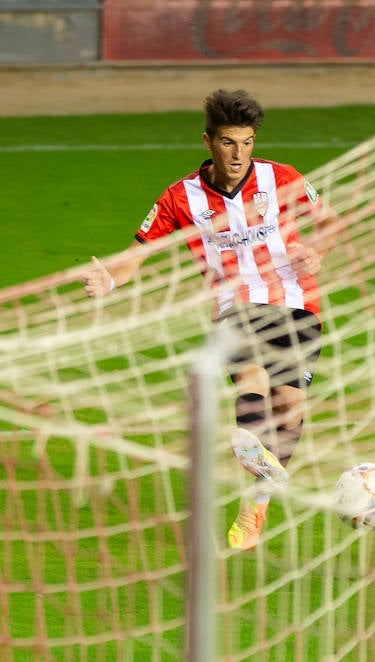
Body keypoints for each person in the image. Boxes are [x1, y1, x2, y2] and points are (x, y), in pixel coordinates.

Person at [82, 88, 341, 551]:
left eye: (246, 142)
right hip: (235, 307)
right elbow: (136, 257)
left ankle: (256, 499)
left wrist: (315, 251)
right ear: (208, 142)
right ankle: (247, 441)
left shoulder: (281, 178)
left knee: (289, 409)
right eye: (228, 143)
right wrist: (110, 282)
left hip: (297, 303)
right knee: (252, 378)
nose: (239, 154)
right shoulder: (180, 198)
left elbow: (331, 223)